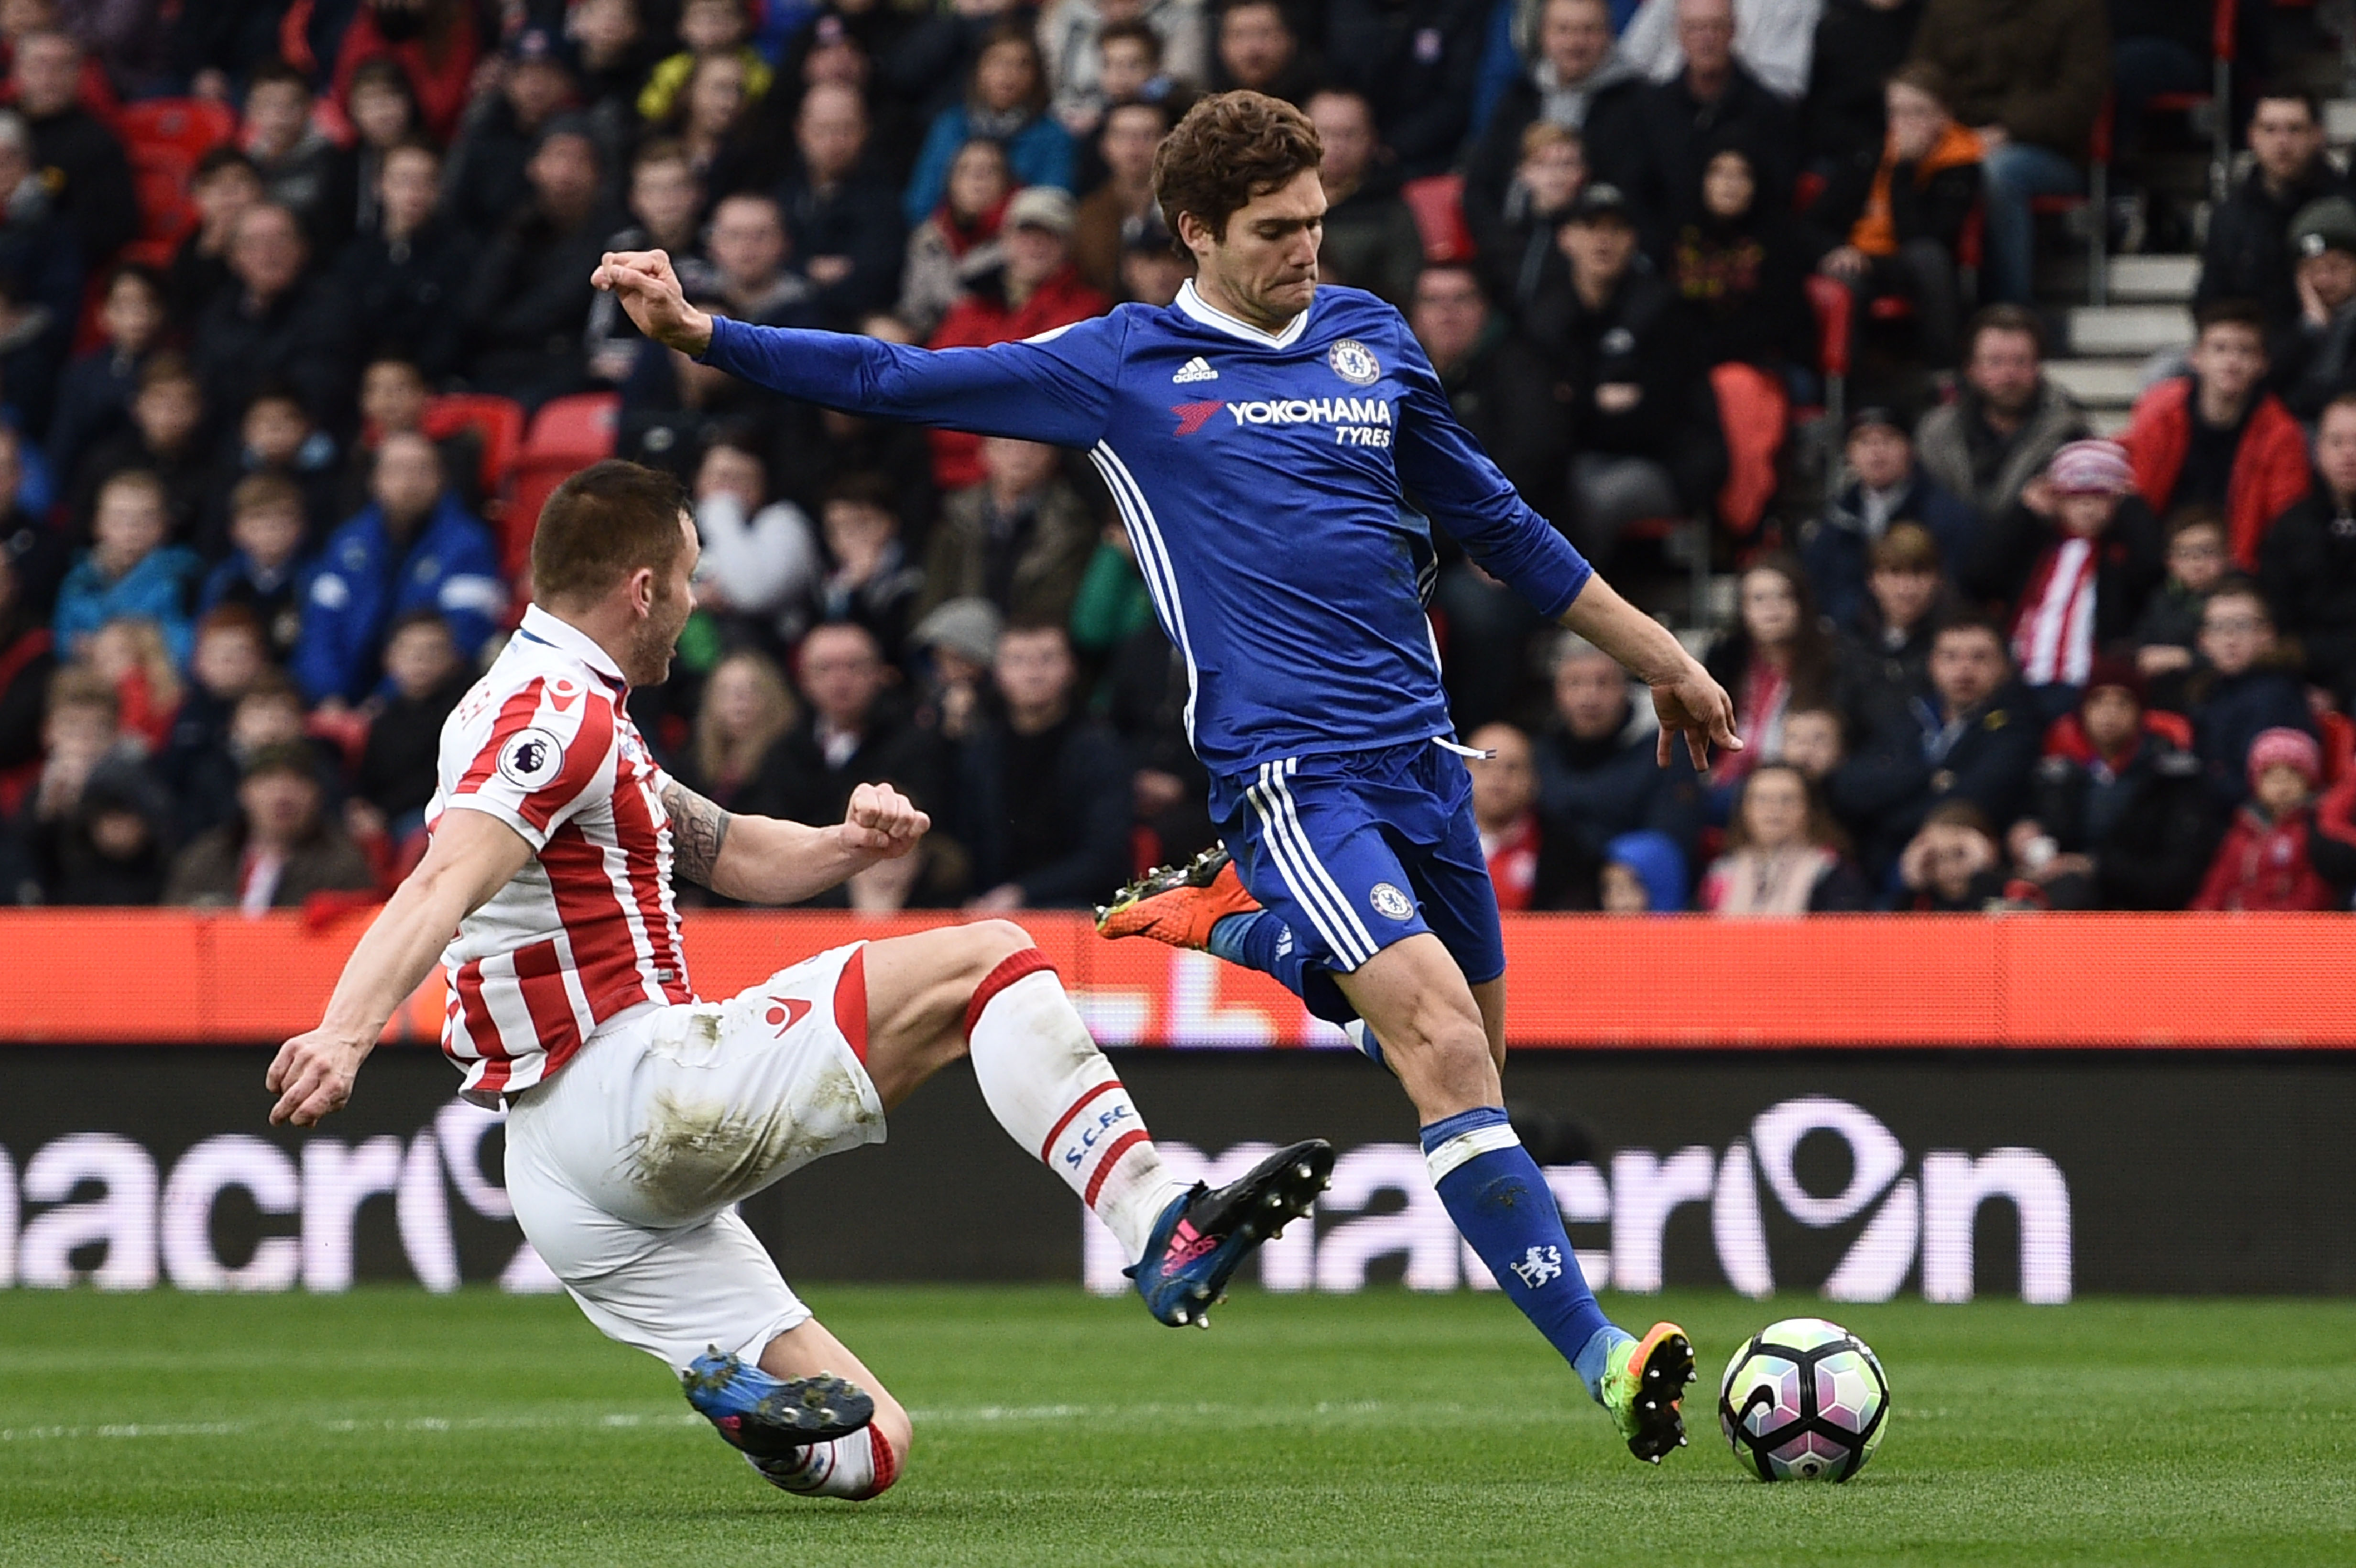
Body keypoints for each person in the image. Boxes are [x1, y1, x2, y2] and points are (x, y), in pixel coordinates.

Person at [595, 87, 1734, 1461]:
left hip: (1424, 761)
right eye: (1273, 230)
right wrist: (706, 331)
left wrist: (1663, 653)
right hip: (1294, 778)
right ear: (1194, 230)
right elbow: (896, 381)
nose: (1307, 249)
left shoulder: (1374, 341)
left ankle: (1234, 926)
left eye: (1316, 222)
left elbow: (1497, 522)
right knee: (1441, 1045)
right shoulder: (1119, 367)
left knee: (1471, 1061)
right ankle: (1612, 1364)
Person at [266, 460, 1333, 1502]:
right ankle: (1157, 1221)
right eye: (686, 576)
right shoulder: (560, 714)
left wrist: (846, 843)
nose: (695, 601)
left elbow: (723, 848)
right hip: (627, 1087)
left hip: (557, 1176)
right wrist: (346, 1032)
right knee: (993, 960)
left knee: (874, 1443)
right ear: (641, 588)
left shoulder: (537, 705)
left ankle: (742, 1403)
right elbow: (440, 882)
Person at [1524, 182, 1723, 568]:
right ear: (1566, 238)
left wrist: (1577, 403)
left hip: (1662, 465)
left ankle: (1571, 611)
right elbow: (1540, 412)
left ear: (1633, 240)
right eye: (1591, 228)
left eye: (1616, 229)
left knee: (1589, 496)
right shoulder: (1544, 315)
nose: (1604, 240)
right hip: (1575, 457)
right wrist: (1595, 403)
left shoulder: (1664, 311)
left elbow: (1656, 419)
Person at [1907, 0, 2109, 306]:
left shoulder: (2077, 9)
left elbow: (2078, 100)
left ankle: (2009, 311)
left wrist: (2008, 131)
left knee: (1999, 171)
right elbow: (1921, 80)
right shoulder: (1946, 9)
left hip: (2047, 152)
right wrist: (1945, 130)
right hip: (1952, 140)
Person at [293, 432, 504, 707]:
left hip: (425, 703)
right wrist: (329, 696)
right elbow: (320, 626)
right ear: (375, 480)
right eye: (397, 470)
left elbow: (465, 635)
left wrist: (385, 703)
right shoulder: (348, 542)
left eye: (422, 470)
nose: (410, 482)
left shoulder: (468, 545)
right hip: (339, 702)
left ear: (441, 479)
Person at [924, 187, 1111, 489]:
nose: (1036, 245)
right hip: (952, 473)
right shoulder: (970, 309)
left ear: (1068, 246)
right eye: (1026, 234)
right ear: (1006, 240)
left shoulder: (1088, 313)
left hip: (1044, 481)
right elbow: (933, 388)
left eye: (1050, 236)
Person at [1831, 611, 2039, 876]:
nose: (1965, 669)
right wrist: (1931, 777)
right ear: (1932, 664)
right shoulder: (1910, 717)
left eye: (1980, 658)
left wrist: (1888, 813)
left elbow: (1975, 801)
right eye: (1951, 657)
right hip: (1882, 864)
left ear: (2005, 667)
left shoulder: (2016, 725)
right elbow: (1851, 787)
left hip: (1965, 871)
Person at [1587, 0, 1798, 259]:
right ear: (1679, 34)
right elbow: (1636, 190)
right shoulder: (1649, 110)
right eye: (1694, 28)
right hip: (1662, 262)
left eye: (1715, 27)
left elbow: (1776, 199)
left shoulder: (1768, 112)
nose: (1706, 39)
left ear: (1733, 31)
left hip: (1745, 263)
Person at [1964, 438, 2162, 708]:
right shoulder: (2036, 546)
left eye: (2100, 497)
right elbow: (1980, 575)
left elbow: (2152, 568)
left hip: (2087, 687)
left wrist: (2132, 506)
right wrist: (2024, 512)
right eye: (2076, 497)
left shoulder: (2118, 556)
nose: (2088, 508)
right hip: (2022, 680)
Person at [952, 620, 1134, 909]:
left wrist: (1022, 894)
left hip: (1080, 910)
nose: (1033, 673)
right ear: (997, 673)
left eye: (1048, 659)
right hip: (988, 908)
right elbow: (965, 841)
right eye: (1018, 661)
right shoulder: (981, 751)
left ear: (1071, 668)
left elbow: (1106, 856)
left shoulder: (1100, 749)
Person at [1809, 62, 1981, 368]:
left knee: (1926, 257)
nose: (1905, 124)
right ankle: (1846, 398)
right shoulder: (1869, 153)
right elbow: (1814, 222)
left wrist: (1904, 169)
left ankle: (1946, 373)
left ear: (1944, 116)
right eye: (1897, 112)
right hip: (1864, 260)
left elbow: (1922, 236)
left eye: (1918, 112)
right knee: (1842, 279)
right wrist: (1836, 250)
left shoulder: (1961, 163)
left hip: (1917, 266)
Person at [2014, 657, 2220, 911]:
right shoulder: (2058, 776)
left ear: (2141, 713)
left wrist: (2095, 867)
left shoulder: (2175, 778)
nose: (2110, 713)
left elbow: (2178, 874)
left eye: (2123, 702)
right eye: (2098, 701)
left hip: (2142, 909)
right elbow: (2036, 827)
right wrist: (2024, 832)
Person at [2118, 301, 2311, 571]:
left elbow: (2285, 521)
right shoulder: (2159, 413)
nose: (2232, 362)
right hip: (2156, 560)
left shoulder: (2282, 435)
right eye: (2219, 349)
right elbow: (2129, 482)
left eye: (2245, 351)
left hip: (2237, 572)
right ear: (2196, 358)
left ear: (2262, 364)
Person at [1461, 0, 1636, 267]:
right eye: (1563, 30)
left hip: (1598, 269)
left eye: (1588, 30)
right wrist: (1503, 250)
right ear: (1544, 36)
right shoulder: (1519, 98)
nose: (1576, 43)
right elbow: (1480, 187)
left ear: (1609, 35)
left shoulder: (1637, 103)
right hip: (1509, 259)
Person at [461, 120, 618, 410]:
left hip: (571, 372)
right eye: (558, 156)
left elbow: (563, 306)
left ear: (598, 173)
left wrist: (505, 327)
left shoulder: (614, 236)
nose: (567, 171)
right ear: (533, 167)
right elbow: (475, 310)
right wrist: (511, 243)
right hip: (503, 368)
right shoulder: (515, 227)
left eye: (579, 159)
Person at [2195, 88, 2356, 348]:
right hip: (2250, 353)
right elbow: (2209, 301)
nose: (2282, 142)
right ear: (2252, 136)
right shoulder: (2230, 215)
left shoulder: (2346, 210)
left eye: (2294, 129)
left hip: (2334, 349)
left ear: (2318, 135)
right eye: (2270, 129)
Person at [1531, 633, 1706, 868]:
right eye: (1575, 683)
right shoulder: (1540, 754)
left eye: (1603, 682)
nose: (1589, 697)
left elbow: (1669, 848)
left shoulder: (1666, 752)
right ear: (1557, 692)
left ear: (1627, 687)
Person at [1915, 305, 2090, 530]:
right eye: (1995, 362)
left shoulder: (2071, 434)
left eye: (2021, 362)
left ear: (2038, 367)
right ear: (1971, 369)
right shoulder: (1936, 435)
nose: (2009, 375)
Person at [1803, 407, 1975, 630]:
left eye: (1888, 440)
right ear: (1850, 453)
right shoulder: (1838, 516)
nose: (1876, 452)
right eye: (1864, 442)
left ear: (1910, 449)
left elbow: (1956, 587)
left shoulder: (1947, 515)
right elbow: (1818, 584)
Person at [167, 740, 377, 911]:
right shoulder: (207, 857)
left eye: (296, 783)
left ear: (317, 796)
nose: (282, 796)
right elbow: (172, 922)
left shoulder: (342, 863)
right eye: (268, 783)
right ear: (244, 793)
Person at [904, 25, 1076, 229]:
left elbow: (1052, 209)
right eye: (998, 62)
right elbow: (920, 205)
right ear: (979, 69)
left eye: (1022, 65)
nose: (1008, 74)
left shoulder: (1054, 136)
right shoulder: (950, 126)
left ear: (1036, 75)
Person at [333, 137, 476, 383]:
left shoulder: (461, 253)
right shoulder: (355, 257)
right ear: (379, 186)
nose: (413, 193)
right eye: (403, 181)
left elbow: (455, 332)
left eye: (425, 182)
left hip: (434, 384)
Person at [919, 437, 1097, 627]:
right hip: (961, 638)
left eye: (1033, 447)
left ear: (1053, 455)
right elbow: (933, 595)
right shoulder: (954, 517)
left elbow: (1060, 602)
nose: (1021, 456)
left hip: (1034, 641)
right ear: (984, 453)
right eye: (1008, 446)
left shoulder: (1073, 522)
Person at [1702, 555, 1836, 799]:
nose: (1772, 608)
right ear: (1743, 610)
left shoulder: (1832, 663)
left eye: (1783, 597)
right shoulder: (1726, 660)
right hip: (1726, 781)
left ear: (1801, 605)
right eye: (1759, 599)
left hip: (1797, 786)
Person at [774, 82, 906, 327]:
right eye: (823, 130)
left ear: (866, 131)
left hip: (852, 320)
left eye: (846, 130)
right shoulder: (783, 189)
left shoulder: (884, 197)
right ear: (800, 131)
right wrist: (808, 269)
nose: (834, 142)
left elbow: (878, 275)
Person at [2261, 394, 2356, 708]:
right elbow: (2279, 619)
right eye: (2337, 442)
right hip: (2302, 677)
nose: (2349, 454)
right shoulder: (2291, 527)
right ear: (2318, 450)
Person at [2187, 577, 2313, 810]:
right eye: (2218, 627)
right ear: (2203, 641)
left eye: (2242, 626)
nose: (2230, 639)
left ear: (2267, 634)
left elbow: (2256, 791)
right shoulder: (2210, 690)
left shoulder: (2275, 697)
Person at [53, 471, 199, 665]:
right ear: (98, 525)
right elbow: (62, 640)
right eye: (119, 519)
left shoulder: (179, 578)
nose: (132, 531)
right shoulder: (78, 581)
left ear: (165, 525)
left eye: (146, 520)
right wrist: (75, 648)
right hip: (91, 682)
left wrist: (134, 644)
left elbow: (185, 647)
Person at [352, 611, 474, 843]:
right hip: (387, 816)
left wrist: (383, 815)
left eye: (433, 651)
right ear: (389, 659)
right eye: (410, 652)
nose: (421, 660)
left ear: (454, 657)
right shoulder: (385, 716)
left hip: (437, 814)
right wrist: (359, 806)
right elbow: (367, 778)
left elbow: (438, 780)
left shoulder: (466, 712)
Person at [2191, 727, 2341, 911]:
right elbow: (2218, 885)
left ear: (2309, 783)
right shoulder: (2243, 832)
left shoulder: (2314, 832)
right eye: (2273, 778)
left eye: (2293, 777)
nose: (2283, 787)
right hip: (2235, 930)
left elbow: (2313, 896)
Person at [1832, 520, 1954, 741]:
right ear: (1873, 580)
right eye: (1895, 573)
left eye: (1919, 573)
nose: (1907, 588)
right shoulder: (1848, 642)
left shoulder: (1953, 642)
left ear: (1938, 580)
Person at [1301, 87, 1424, 307]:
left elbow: (1404, 292)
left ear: (1372, 140)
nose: (1336, 145)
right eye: (1325, 133)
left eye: (1348, 134)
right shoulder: (1278, 202)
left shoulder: (1391, 210)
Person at [1698, 762, 1873, 914]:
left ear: (1810, 811)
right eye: (1762, 799)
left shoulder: (1833, 873)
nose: (1774, 809)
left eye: (1788, 800)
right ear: (1745, 810)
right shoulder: (1722, 872)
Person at [1463, 720, 1596, 911]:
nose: (1499, 778)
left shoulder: (1565, 850)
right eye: (1485, 765)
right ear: (1462, 775)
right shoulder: (1435, 845)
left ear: (1534, 780)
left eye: (1512, 768)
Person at [899, 137, 1013, 338]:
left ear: (1006, 183)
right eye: (967, 170)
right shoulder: (928, 239)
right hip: (935, 346)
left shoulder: (1019, 238)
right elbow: (914, 312)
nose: (979, 178)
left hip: (996, 345)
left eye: (990, 171)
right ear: (951, 181)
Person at [239, 57, 357, 249]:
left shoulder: (336, 162)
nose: (279, 116)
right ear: (251, 110)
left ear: (309, 109)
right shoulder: (245, 165)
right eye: (268, 105)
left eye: (291, 105)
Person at [1802, 0, 1928, 172]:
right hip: (1841, 149)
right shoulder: (1833, 21)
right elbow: (1819, 107)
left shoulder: (1927, 19)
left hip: (1915, 143)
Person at [2270, 198, 2356, 424]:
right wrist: (2311, 329)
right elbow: (2268, 382)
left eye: (2336, 267)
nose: (2324, 280)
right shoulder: (2286, 317)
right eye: (2313, 269)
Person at [1075, 101, 1169, 299]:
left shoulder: (1188, 209)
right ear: (1105, 145)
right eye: (1123, 136)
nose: (1135, 145)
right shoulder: (1088, 213)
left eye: (1147, 136)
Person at [2134, 506, 2229, 697]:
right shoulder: (2161, 599)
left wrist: (2185, 659)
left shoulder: (2239, 599)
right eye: (2185, 554)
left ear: (2227, 555)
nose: (2197, 562)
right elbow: (2142, 646)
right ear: (2170, 562)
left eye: (2207, 551)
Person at [1892, 798, 2006, 911]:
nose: (1950, 868)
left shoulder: (2010, 891)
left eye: (1959, 854)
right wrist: (1912, 884)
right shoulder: (1919, 904)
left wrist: (1984, 873)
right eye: (1935, 858)